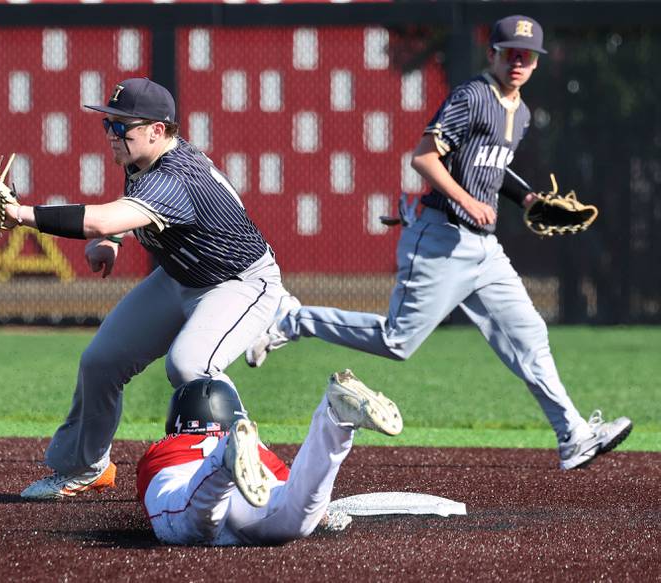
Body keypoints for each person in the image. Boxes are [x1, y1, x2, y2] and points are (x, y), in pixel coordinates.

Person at [245, 15, 632, 470]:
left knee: (529, 334)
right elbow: (425, 157)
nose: (517, 61)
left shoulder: (520, 112)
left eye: (526, 56)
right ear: (493, 53)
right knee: (397, 341)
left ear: (535, 64)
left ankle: (573, 436)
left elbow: (492, 166)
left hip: (484, 251)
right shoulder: (472, 96)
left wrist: (526, 198)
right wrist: (469, 200)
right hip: (441, 238)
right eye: (509, 52)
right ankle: (294, 319)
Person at [8, 77, 287, 499]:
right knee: (100, 361)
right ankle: (85, 468)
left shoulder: (176, 176)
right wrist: (113, 241)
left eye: (122, 126)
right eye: (108, 123)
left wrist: (21, 213)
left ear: (158, 130)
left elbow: (101, 219)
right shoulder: (144, 156)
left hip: (241, 284)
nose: (111, 134)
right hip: (180, 277)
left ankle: (264, 472)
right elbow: (122, 216)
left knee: (190, 367)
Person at [137, 370, 402, 545]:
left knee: (190, 526)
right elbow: (295, 488)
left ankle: (224, 460)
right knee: (294, 516)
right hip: (248, 497)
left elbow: (149, 499)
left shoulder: (161, 448)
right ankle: (334, 419)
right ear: (233, 418)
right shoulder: (258, 449)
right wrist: (320, 515)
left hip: (184, 478)